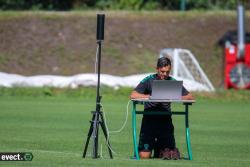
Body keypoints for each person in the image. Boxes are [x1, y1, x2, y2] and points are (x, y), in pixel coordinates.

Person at [130, 57, 194, 160]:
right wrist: (150, 96)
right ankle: (152, 147)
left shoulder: (172, 82)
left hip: (165, 122)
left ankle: (159, 148)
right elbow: (133, 95)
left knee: (169, 154)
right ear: (157, 69)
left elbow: (190, 97)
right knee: (144, 156)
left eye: (167, 72)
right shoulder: (149, 80)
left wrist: (175, 97)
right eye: (162, 71)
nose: (164, 74)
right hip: (149, 121)